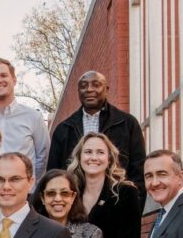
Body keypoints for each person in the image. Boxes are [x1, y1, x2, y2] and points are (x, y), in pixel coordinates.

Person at [48, 70, 147, 202]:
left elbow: (139, 171)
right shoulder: (63, 129)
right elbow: (53, 175)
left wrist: (134, 207)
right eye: (83, 86)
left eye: (96, 84)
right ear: (78, 91)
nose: (89, 89)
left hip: (117, 204)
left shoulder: (127, 124)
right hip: (75, 206)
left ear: (106, 89)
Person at [0, 58, 50, 179]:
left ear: (14, 80)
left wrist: (29, 183)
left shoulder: (33, 117)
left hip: (25, 193)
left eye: (3, 75)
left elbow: (43, 157)